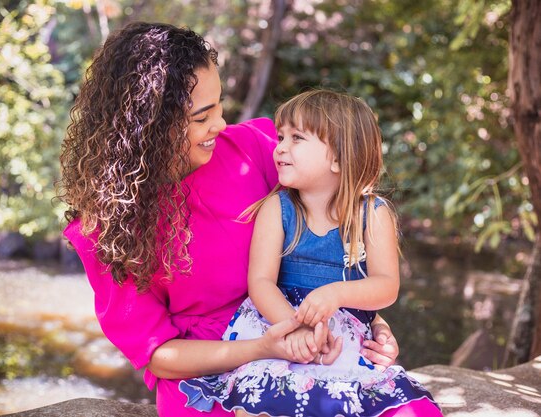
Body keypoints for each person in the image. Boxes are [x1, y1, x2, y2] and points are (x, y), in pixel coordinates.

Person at [59, 22, 401, 417]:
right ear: (150, 126)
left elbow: (334, 233)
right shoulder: (105, 229)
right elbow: (159, 354)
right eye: (202, 117)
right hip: (212, 368)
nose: (220, 125)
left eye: (219, 107)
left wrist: (369, 323)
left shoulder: (254, 148)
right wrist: (264, 347)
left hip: (308, 340)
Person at [179, 90, 442, 416]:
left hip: (342, 337)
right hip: (282, 326)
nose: (280, 148)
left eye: (297, 138)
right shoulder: (278, 209)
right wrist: (296, 327)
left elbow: (386, 285)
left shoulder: (373, 214)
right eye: (280, 137)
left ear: (338, 158)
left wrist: (336, 295)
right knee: (274, 398)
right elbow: (261, 281)